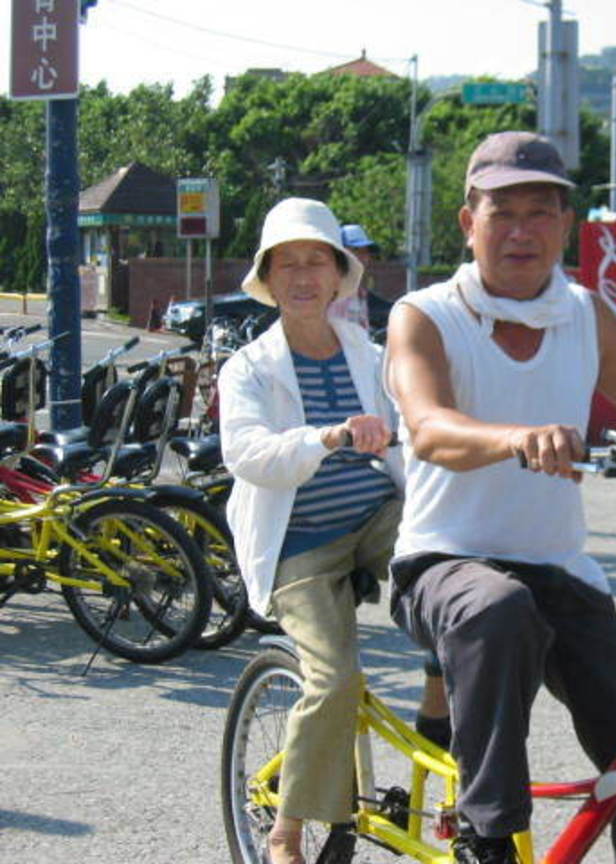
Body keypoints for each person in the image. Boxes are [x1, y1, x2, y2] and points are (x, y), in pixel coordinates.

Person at [385, 132, 616, 864]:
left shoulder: (584, 315)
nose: (521, 230)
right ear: (468, 223)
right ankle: (487, 834)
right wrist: (517, 437)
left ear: (566, 224)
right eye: (502, 212)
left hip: (557, 571)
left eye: (540, 212)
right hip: (442, 563)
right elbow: (428, 429)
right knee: (497, 609)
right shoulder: (425, 314)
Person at [218, 198, 445, 864]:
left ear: (339, 275)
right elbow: (248, 455)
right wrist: (329, 435)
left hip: (377, 517)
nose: (303, 276)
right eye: (286, 264)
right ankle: (286, 831)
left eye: (316, 261)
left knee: (465, 582)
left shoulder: (371, 357)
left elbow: (417, 435)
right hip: (301, 544)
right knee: (335, 680)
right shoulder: (249, 368)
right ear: (268, 278)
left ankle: (442, 730)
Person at [327, 223, 377, 329]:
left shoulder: (360, 290)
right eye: (356, 250)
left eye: (366, 251)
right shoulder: (334, 291)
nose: (363, 256)